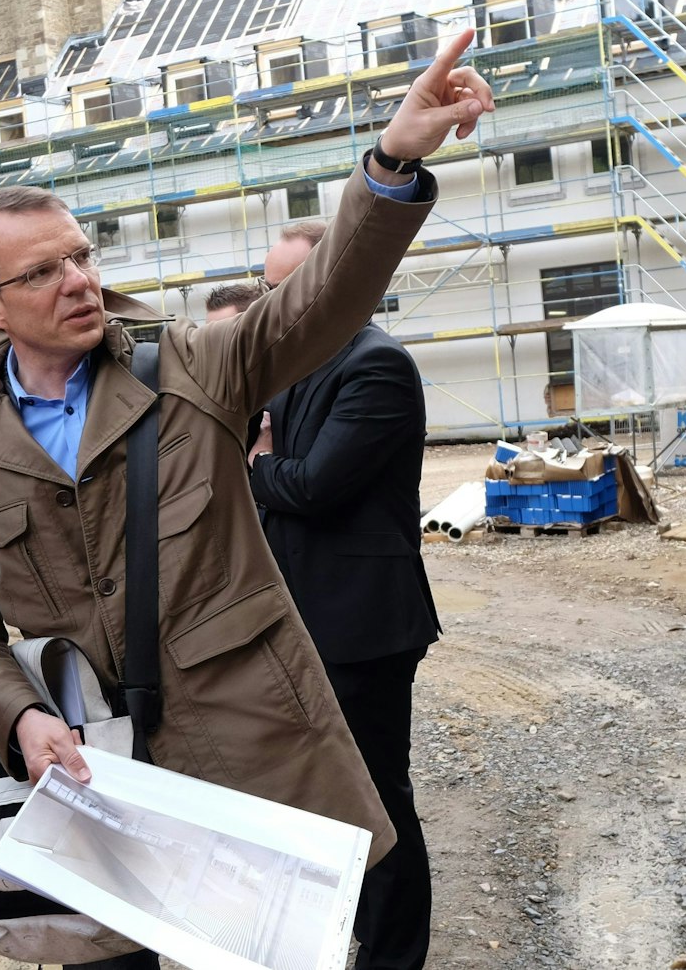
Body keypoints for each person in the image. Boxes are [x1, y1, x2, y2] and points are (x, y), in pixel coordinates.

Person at [0, 31, 492, 970]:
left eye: (81, 255)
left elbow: (318, 301)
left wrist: (390, 163)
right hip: (88, 775)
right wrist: (20, 717)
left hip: (240, 754)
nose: (79, 281)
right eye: (43, 272)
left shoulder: (189, 367)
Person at [248, 219, 442, 970]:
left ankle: (393, 956)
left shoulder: (376, 365)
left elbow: (314, 485)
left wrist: (262, 463)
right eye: (266, 289)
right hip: (299, 619)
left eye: (283, 289)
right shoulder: (294, 367)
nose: (272, 304)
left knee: (376, 802)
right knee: (317, 799)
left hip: (363, 623)